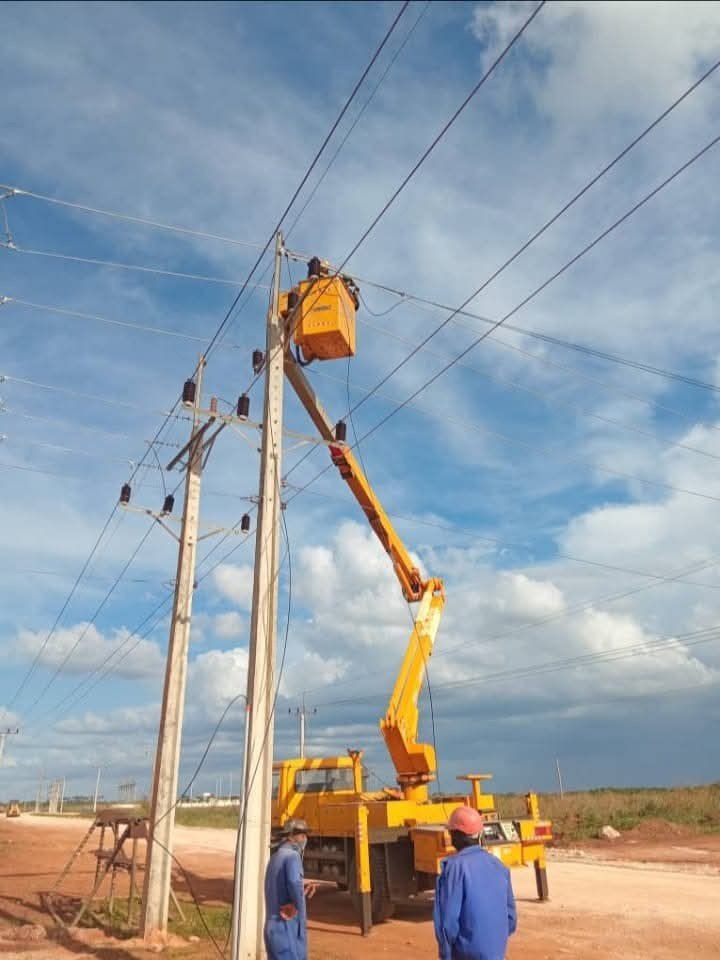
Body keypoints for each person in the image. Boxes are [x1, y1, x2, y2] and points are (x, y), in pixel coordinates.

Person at [434, 807, 517, 960]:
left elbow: (448, 924)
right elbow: (511, 919)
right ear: (478, 834)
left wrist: (446, 955)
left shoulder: (454, 868)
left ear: (456, 835)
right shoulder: (499, 866)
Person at [264, 818, 312, 960]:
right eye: (302, 835)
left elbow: (280, 888)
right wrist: (296, 905)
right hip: (287, 929)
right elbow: (293, 882)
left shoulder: (275, 858)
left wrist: (302, 890)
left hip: (273, 929)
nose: (305, 839)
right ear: (290, 836)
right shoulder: (292, 857)